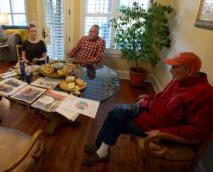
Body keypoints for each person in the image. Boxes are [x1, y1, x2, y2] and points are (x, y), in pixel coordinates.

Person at [82, 52, 213, 166]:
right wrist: (150, 97)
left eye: (174, 67)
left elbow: (198, 131)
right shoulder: (180, 79)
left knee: (115, 119)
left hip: (156, 127)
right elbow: (163, 95)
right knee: (115, 111)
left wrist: (162, 132)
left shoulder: (205, 95)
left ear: (189, 71)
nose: (170, 70)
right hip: (149, 110)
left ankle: (102, 151)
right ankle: (100, 147)